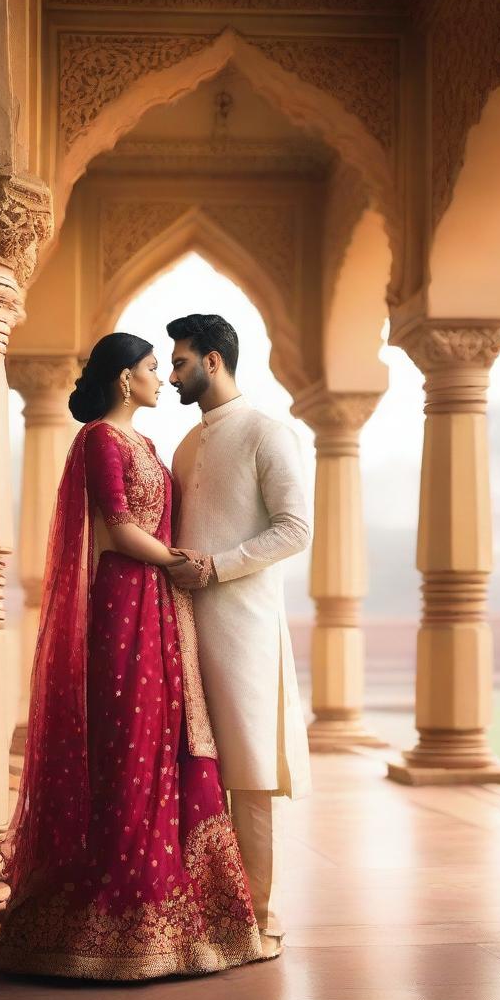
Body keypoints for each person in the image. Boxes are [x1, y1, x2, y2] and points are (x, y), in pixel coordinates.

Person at [0, 332, 263, 981]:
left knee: (169, 743)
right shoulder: (98, 442)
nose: (160, 379)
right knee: (126, 749)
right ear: (123, 379)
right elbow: (117, 528)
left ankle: (182, 922)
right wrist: (184, 562)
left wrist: (187, 569)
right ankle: (112, 922)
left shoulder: (147, 445)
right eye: (151, 368)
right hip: (124, 606)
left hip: (165, 608)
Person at [166, 313, 312, 961]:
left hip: (244, 628)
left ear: (214, 362)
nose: (172, 374)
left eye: (180, 362)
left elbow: (295, 529)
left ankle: (261, 911)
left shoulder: (267, 434)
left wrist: (218, 566)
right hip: (185, 625)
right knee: (200, 768)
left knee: (249, 774)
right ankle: (211, 904)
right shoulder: (186, 447)